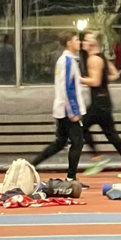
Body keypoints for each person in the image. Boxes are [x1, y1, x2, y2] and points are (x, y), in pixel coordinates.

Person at [30, 31, 87, 183]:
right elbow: (67, 88)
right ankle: (71, 178)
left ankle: (32, 165)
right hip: (67, 110)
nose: (79, 42)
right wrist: (73, 111)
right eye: (76, 40)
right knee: (77, 142)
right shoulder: (67, 61)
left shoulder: (66, 61)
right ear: (69, 42)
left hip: (63, 108)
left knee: (60, 143)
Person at [80, 32, 121, 172]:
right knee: (112, 135)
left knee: (80, 127)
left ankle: (97, 158)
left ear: (93, 43)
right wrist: (103, 79)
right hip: (104, 101)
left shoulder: (93, 59)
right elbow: (115, 74)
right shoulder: (102, 58)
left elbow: (95, 81)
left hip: (99, 102)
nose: (83, 43)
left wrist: (77, 79)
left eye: (86, 40)